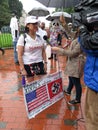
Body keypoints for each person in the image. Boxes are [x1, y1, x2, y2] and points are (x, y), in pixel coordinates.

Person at [51, 30, 86, 105]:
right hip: (72, 62)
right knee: (71, 77)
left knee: (76, 81)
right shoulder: (77, 38)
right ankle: (68, 90)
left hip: (77, 63)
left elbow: (73, 53)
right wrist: (70, 44)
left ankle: (77, 99)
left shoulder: (82, 41)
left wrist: (59, 50)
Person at [78, 22, 98, 130]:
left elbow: (88, 47)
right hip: (93, 82)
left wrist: (83, 28)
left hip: (95, 84)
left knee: (92, 119)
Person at [17, 16, 47, 83]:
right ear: (27, 25)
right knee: (30, 84)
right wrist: (22, 69)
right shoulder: (23, 38)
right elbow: (19, 55)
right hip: (28, 64)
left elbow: (43, 52)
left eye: (36, 23)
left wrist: (45, 63)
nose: (36, 25)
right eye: (33, 24)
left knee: (42, 83)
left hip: (39, 63)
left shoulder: (40, 37)